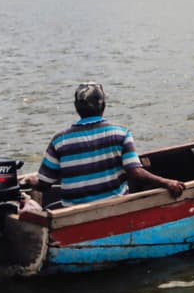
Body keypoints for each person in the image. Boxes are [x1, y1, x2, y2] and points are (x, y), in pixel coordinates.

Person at [35, 82, 185, 208]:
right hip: (114, 208)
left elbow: (44, 184)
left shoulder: (59, 140)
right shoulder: (121, 134)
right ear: (104, 105)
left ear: (76, 107)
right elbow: (135, 172)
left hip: (71, 213)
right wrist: (167, 183)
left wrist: (31, 182)